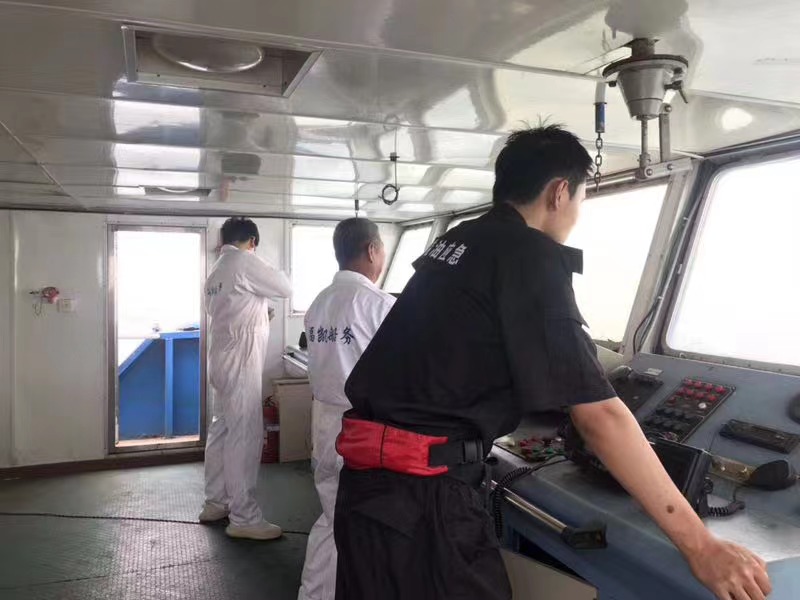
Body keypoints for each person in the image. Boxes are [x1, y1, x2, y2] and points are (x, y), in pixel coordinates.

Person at [333, 126, 772, 600]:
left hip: (368, 491)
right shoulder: (529, 254)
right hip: (424, 503)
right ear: (560, 192)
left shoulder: (459, 241)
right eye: (581, 198)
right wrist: (701, 546)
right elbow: (600, 417)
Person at [299, 218, 395, 600]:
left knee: (331, 516)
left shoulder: (319, 303)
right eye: (382, 248)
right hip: (362, 429)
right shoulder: (380, 306)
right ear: (372, 250)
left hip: (325, 422)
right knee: (361, 522)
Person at [199, 217, 292, 540]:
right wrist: (255, 259)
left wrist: (261, 313)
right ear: (252, 241)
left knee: (221, 430)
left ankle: (215, 502)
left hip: (220, 360)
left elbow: (229, 310)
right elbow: (285, 288)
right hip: (240, 363)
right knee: (244, 434)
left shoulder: (216, 272)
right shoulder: (244, 261)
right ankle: (244, 517)